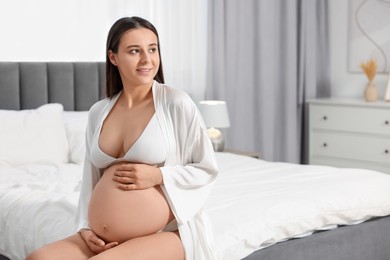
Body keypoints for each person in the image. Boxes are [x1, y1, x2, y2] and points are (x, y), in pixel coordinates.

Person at [26, 16, 218, 260]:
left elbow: (207, 168)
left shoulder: (176, 103)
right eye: (134, 51)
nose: (147, 60)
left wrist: (158, 175)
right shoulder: (99, 111)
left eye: (153, 49)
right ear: (113, 57)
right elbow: (90, 177)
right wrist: (85, 227)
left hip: (165, 232)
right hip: (100, 236)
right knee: (38, 258)